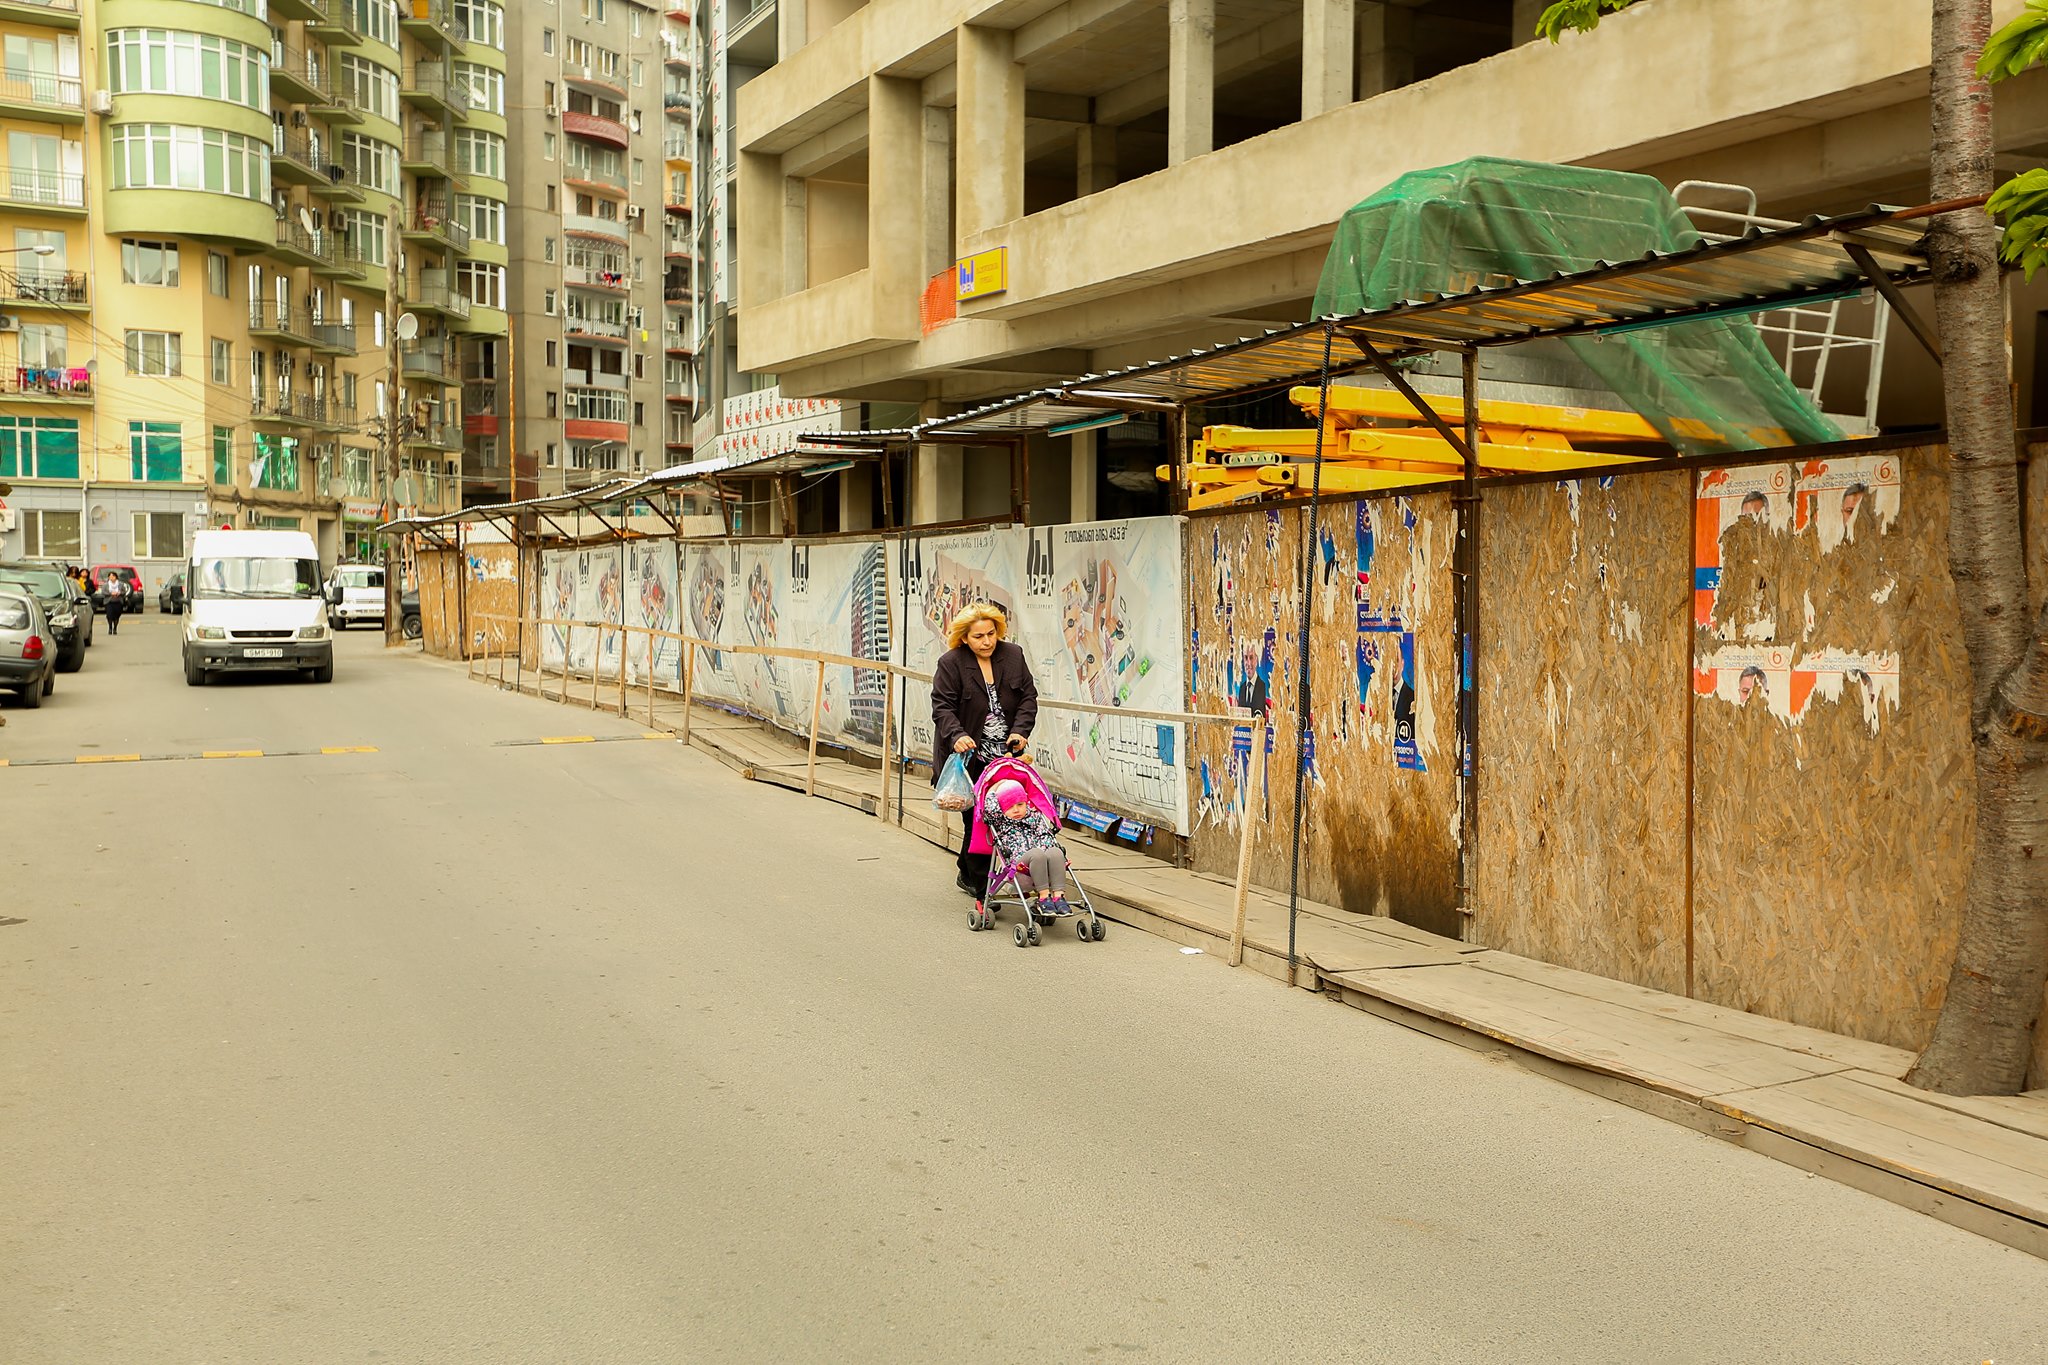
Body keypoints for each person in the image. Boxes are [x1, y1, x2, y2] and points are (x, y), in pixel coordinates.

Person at [930, 602, 1038, 896]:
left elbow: (1028, 697)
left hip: (1006, 755)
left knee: (1006, 812)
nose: (987, 641)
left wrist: (1020, 731)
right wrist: (957, 735)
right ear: (965, 637)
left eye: (991, 634)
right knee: (977, 818)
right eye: (979, 636)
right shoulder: (951, 663)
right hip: (969, 755)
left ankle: (967, 869)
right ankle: (980, 884)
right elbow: (942, 707)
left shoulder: (1013, 656)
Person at [983, 778, 1069, 915]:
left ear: (1026, 803)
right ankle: (1043, 897)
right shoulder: (1002, 820)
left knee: (1055, 851)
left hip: (1044, 869)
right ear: (1002, 809)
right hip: (1020, 869)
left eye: (1020, 804)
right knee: (1036, 854)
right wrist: (998, 784)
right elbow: (989, 803)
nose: (1016, 810)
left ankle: (1059, 897)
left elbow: (1045, 838)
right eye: (1010, 807)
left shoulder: (1035, 818)